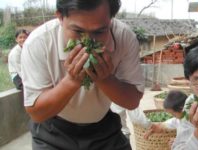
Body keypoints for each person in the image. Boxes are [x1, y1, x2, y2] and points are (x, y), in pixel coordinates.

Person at [21, 0, 144, 149]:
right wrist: (71, 81)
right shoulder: (38, 43)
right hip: (53, 131)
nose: (88, 42)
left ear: (111, 19)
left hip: (103, 127)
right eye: (78, 31)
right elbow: (37, 114)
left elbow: (132, 102)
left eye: (99, 31)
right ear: (60, 17)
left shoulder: (124, 37)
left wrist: (105, 79)